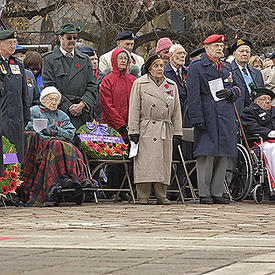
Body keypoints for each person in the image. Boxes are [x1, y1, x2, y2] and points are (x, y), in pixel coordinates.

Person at [186, 34, 241, 204]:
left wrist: (232, 92)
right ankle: (204, 193)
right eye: (215, 46)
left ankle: (217, 192)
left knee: (223, 154)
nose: (219, 49)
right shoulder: (197, 67)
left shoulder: (225, 66)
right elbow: (193, 95)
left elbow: (235, 87)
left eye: (221, 46)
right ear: (206, 47)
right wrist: (197, 118)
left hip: (225, 114)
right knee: (207, 154)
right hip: (207, 113)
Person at [22, 86, 92, 206]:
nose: (54, 102)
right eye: (50, 99)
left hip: (60, 144)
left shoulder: (62, 115)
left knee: (72, 148)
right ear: (43, 100)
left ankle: (77, 179)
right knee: (57, 144)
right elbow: (29, 128)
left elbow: (71, 132)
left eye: (56, 100)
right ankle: (68, 178)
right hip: (42, 145)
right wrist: (46, 134)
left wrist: (56, 131)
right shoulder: (34, 111)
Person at [128, 54, 183, 205]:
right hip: (146, 127)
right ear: (149, 68)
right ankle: (143, 194)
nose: (159, 69)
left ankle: (161, 193)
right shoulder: (139, 84)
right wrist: (133, 130)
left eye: (161, 66)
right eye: (156, 66)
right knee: (145, 162)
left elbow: (177, 111)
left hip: (164, 127)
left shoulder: (171, 85)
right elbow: (134, 108)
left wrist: (178, 131)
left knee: (163, 161)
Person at [42, 23, 97, 130]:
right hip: (60, 113)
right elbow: (50, 87)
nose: (72, 40)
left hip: (83, 113)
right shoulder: (49, 59)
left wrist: (82, 104)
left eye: (75, 37)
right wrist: (69, 106)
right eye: (69, 37)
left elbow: (92, 86)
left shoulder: (85, 59)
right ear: (60, 38)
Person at [0, 29, 30, 163]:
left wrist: (26, 115)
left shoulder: (17, 64)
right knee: (3, 151)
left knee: (14, 154)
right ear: (0, 45)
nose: (13, 46)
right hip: (3, 116)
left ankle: (13, 181)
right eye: (10, 43)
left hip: (16, 119)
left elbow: (24, 94)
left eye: (15, 42)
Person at [241, 87, 275, 190]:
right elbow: (251, 127)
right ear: (256, 101)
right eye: (264, 99)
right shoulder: (249, 112)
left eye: (269, 99)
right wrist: (268, 133)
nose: (268, 101)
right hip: (258, 142)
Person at [231, 39, 264, 113]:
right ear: (234, 54)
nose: (245, 54)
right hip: (239, 113)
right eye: (241, 51)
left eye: (247, 52)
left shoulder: (257, 72)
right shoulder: (229, 71)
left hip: (257, 112)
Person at [80, 46, 104, 121]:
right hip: (84, 115)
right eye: (91, 59)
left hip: (99, 117)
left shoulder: (103, 77)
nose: (95, 62)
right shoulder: (78, 77)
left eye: (96, 59)